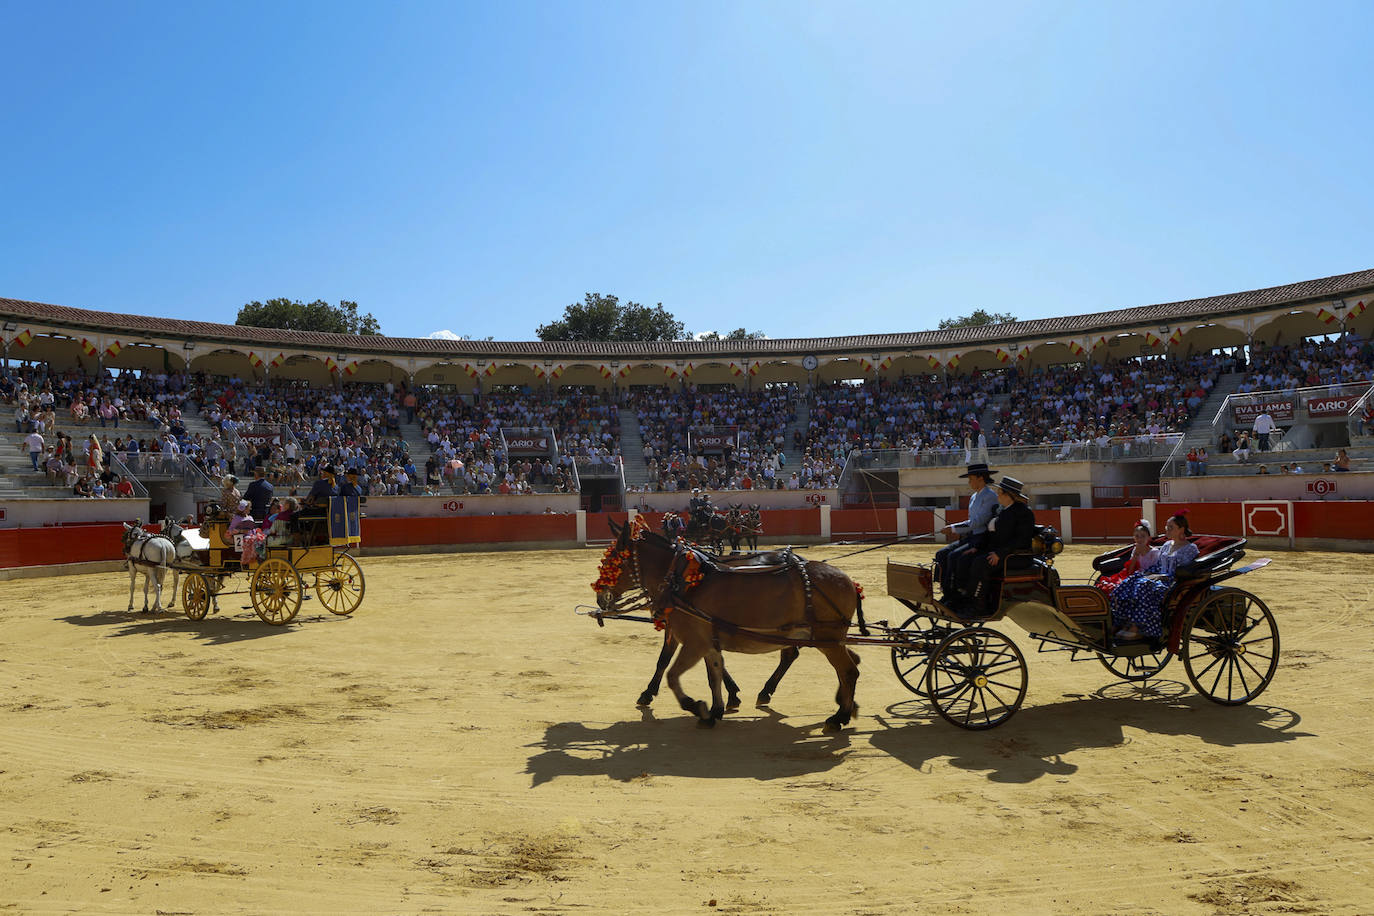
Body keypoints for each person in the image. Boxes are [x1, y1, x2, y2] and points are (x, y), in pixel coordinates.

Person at [1110, 511, 1200, 642]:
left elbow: (1181, 572)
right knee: (1130, 581)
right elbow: (1158, 565)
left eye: (1171, 527)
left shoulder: (1190, 548)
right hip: (1158, 576)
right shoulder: (1167, 545)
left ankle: (1138, 628)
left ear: (1182, 529)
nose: (1167, 530)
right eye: (1166, 526)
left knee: (1143, 585)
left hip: (1173, 583)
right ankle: (1121, 622)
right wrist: (1148, 574)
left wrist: (1157, 577)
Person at [965, 476, 1036, 615]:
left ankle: (979, 605)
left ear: (1008, 495)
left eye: (999, 492)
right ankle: (963, 597)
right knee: (967, 559)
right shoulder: (1000, 510)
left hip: (1016, 555)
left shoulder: (1024, 513)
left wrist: (1000, 553)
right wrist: (977, 547)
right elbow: (989, 534)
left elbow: (1021, 540)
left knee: (980, 563)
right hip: (999, 552)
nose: (997, 495)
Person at [934, 462, 999, 606]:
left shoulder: (990, 496)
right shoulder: (974, 497)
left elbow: (978, 522)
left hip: (981, 538)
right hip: (970, 537)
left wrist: (953, 528)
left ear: (980, 478)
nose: (969, 482)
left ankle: (957, 593)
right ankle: (946, 590)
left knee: (954, 556)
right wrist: (954, 528)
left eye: (971, 478)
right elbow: (971, 521)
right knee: (941, 554)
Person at [1097, 520, 1160, 596]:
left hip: (1148, 578)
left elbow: (1156, 570)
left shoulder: (1154, 552)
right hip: (1136, 577)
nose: (1140, 539)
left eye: (1143, 536)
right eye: (1137, 536)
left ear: (1149, 538)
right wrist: (1135, 556)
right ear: (1134, 538)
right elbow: (1130, 571)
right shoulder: (1135, 550)